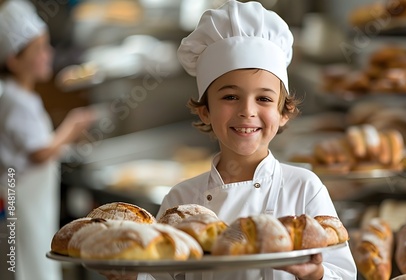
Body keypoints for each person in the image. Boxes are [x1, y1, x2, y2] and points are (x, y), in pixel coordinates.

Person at [136, 1, 357, 279]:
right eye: (230, 97)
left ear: (283, 113)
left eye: (264, 99)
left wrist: (316, 274)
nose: (247, 111)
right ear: (205, 111)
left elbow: (344, 273)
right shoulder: (181, 200)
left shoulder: (304, 188)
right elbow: (158, 273)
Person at [0, 1, 96, 280]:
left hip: (29, 200)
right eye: (40, 48)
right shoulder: (17, 100)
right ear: (14, 60)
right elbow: (39, 152)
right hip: (24, 202)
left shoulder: (15, 94)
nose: (49, 53)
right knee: (29, 264)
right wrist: (72, 126)